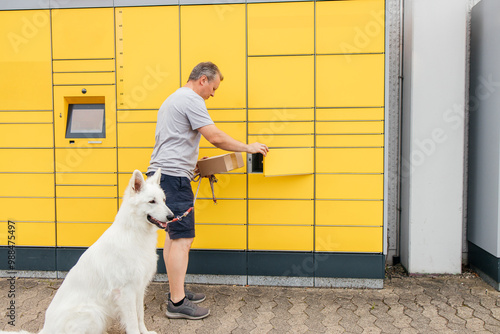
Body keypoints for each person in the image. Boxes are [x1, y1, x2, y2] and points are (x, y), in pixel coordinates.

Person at [146, 62, 268, 320]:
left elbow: (177, 141)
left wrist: (196, 165)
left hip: (164, 175)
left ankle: (176, 291)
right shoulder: (191, 100)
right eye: (213, 88)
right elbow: (215, 136)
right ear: (203, 80)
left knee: (173, 235)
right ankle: (177, 304)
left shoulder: (174, 98)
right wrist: (248, 147)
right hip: (173, 177)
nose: (213, 94)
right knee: (183, 239)